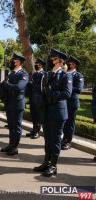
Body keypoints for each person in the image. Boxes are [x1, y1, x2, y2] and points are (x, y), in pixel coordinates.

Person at [33, 49, 72, 177]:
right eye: (51, 58)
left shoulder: (66, 75)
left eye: (54, 59)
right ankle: (46, 162)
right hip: (47, 110)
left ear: (60, 61)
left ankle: (53, 166)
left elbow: (67, 93)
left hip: (58, 112)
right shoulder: (48, 74)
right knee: (47, 139)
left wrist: (50, 93)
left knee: (55, 140)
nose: (51, 60)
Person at [1, 53, 28, 156]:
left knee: (16, 126)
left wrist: (7, 85)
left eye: (14, 60)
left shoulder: (23, 74)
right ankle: (10, 145)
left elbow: (19, 87)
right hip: (10, 101)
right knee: (11, 125)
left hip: (17, 102)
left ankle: (15, 147)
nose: (12, 62)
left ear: (19, 62)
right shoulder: (11, 73)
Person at [62, 56, 84, 150]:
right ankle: (64, 139)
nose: (67, 64)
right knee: (64, 121)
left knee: (70, 123)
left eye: (70, 63)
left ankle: (68, 141)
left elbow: (79, 89)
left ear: (74, 65)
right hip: (63, 101)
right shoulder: (64, 74)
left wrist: (68, 88)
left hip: (72, 102)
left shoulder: (78, 75)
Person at [26, 58, 46, 139]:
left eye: (37, 64)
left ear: (41, 65)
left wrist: (32, 84)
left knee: (38, 116)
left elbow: (42, 87)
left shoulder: (43, 74)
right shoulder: (34, 74)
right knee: (33, 115)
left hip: (39, 98)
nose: (35, 65)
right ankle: (34, 130)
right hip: (33, 97)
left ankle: (37, 131)